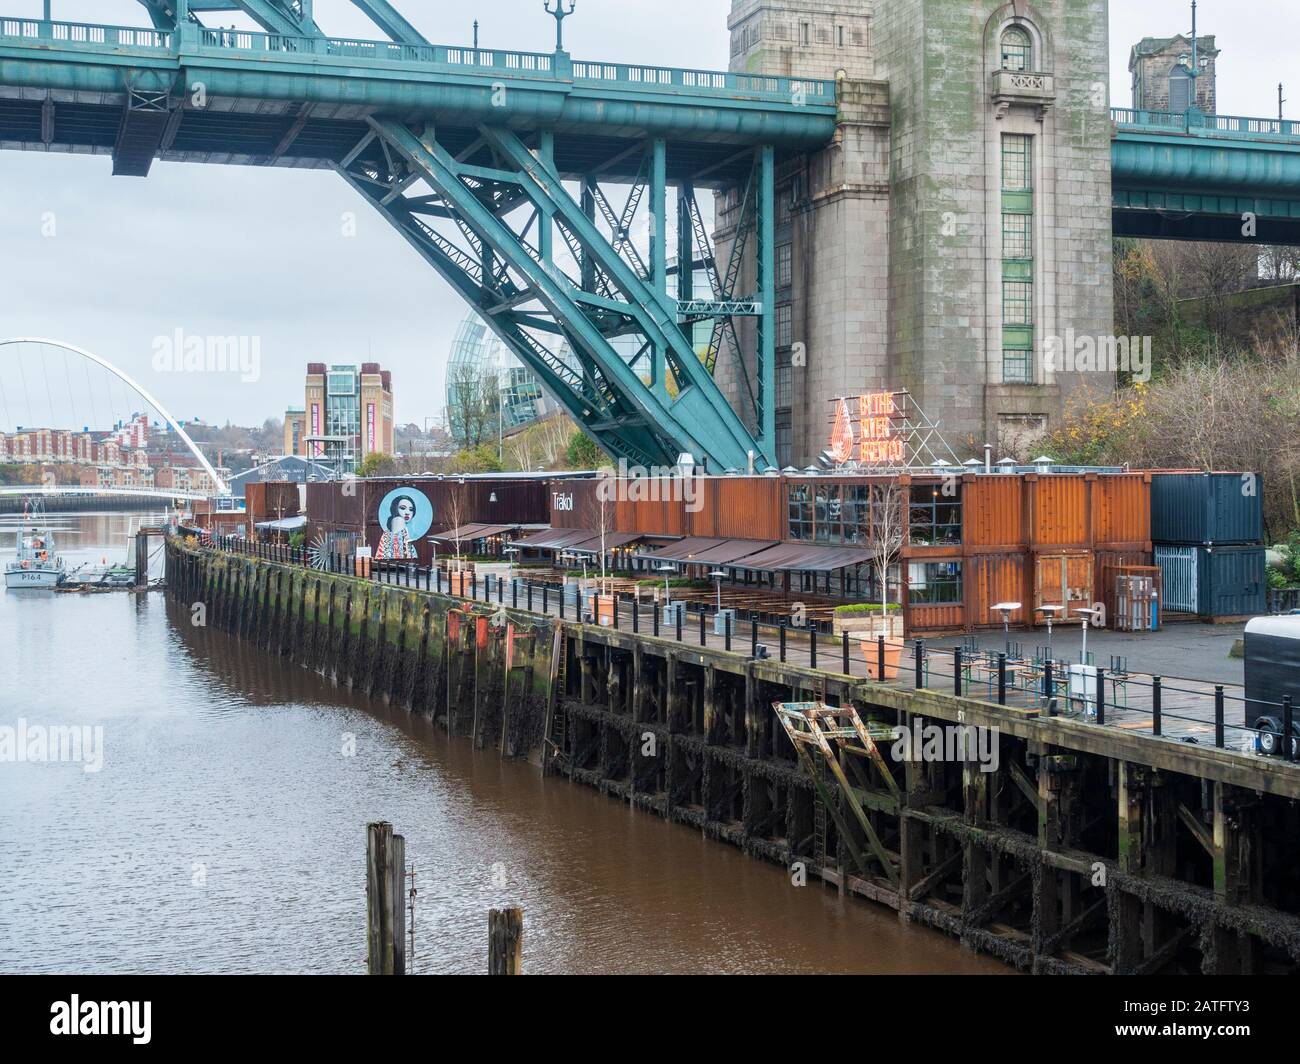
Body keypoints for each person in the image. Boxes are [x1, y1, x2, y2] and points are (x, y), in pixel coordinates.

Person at [375, 495, 417, 561]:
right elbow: (400, 551)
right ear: (395, 509)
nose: (407, 513)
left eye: (411, 509)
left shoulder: (403, 527)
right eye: (403, 508)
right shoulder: (398, 520)